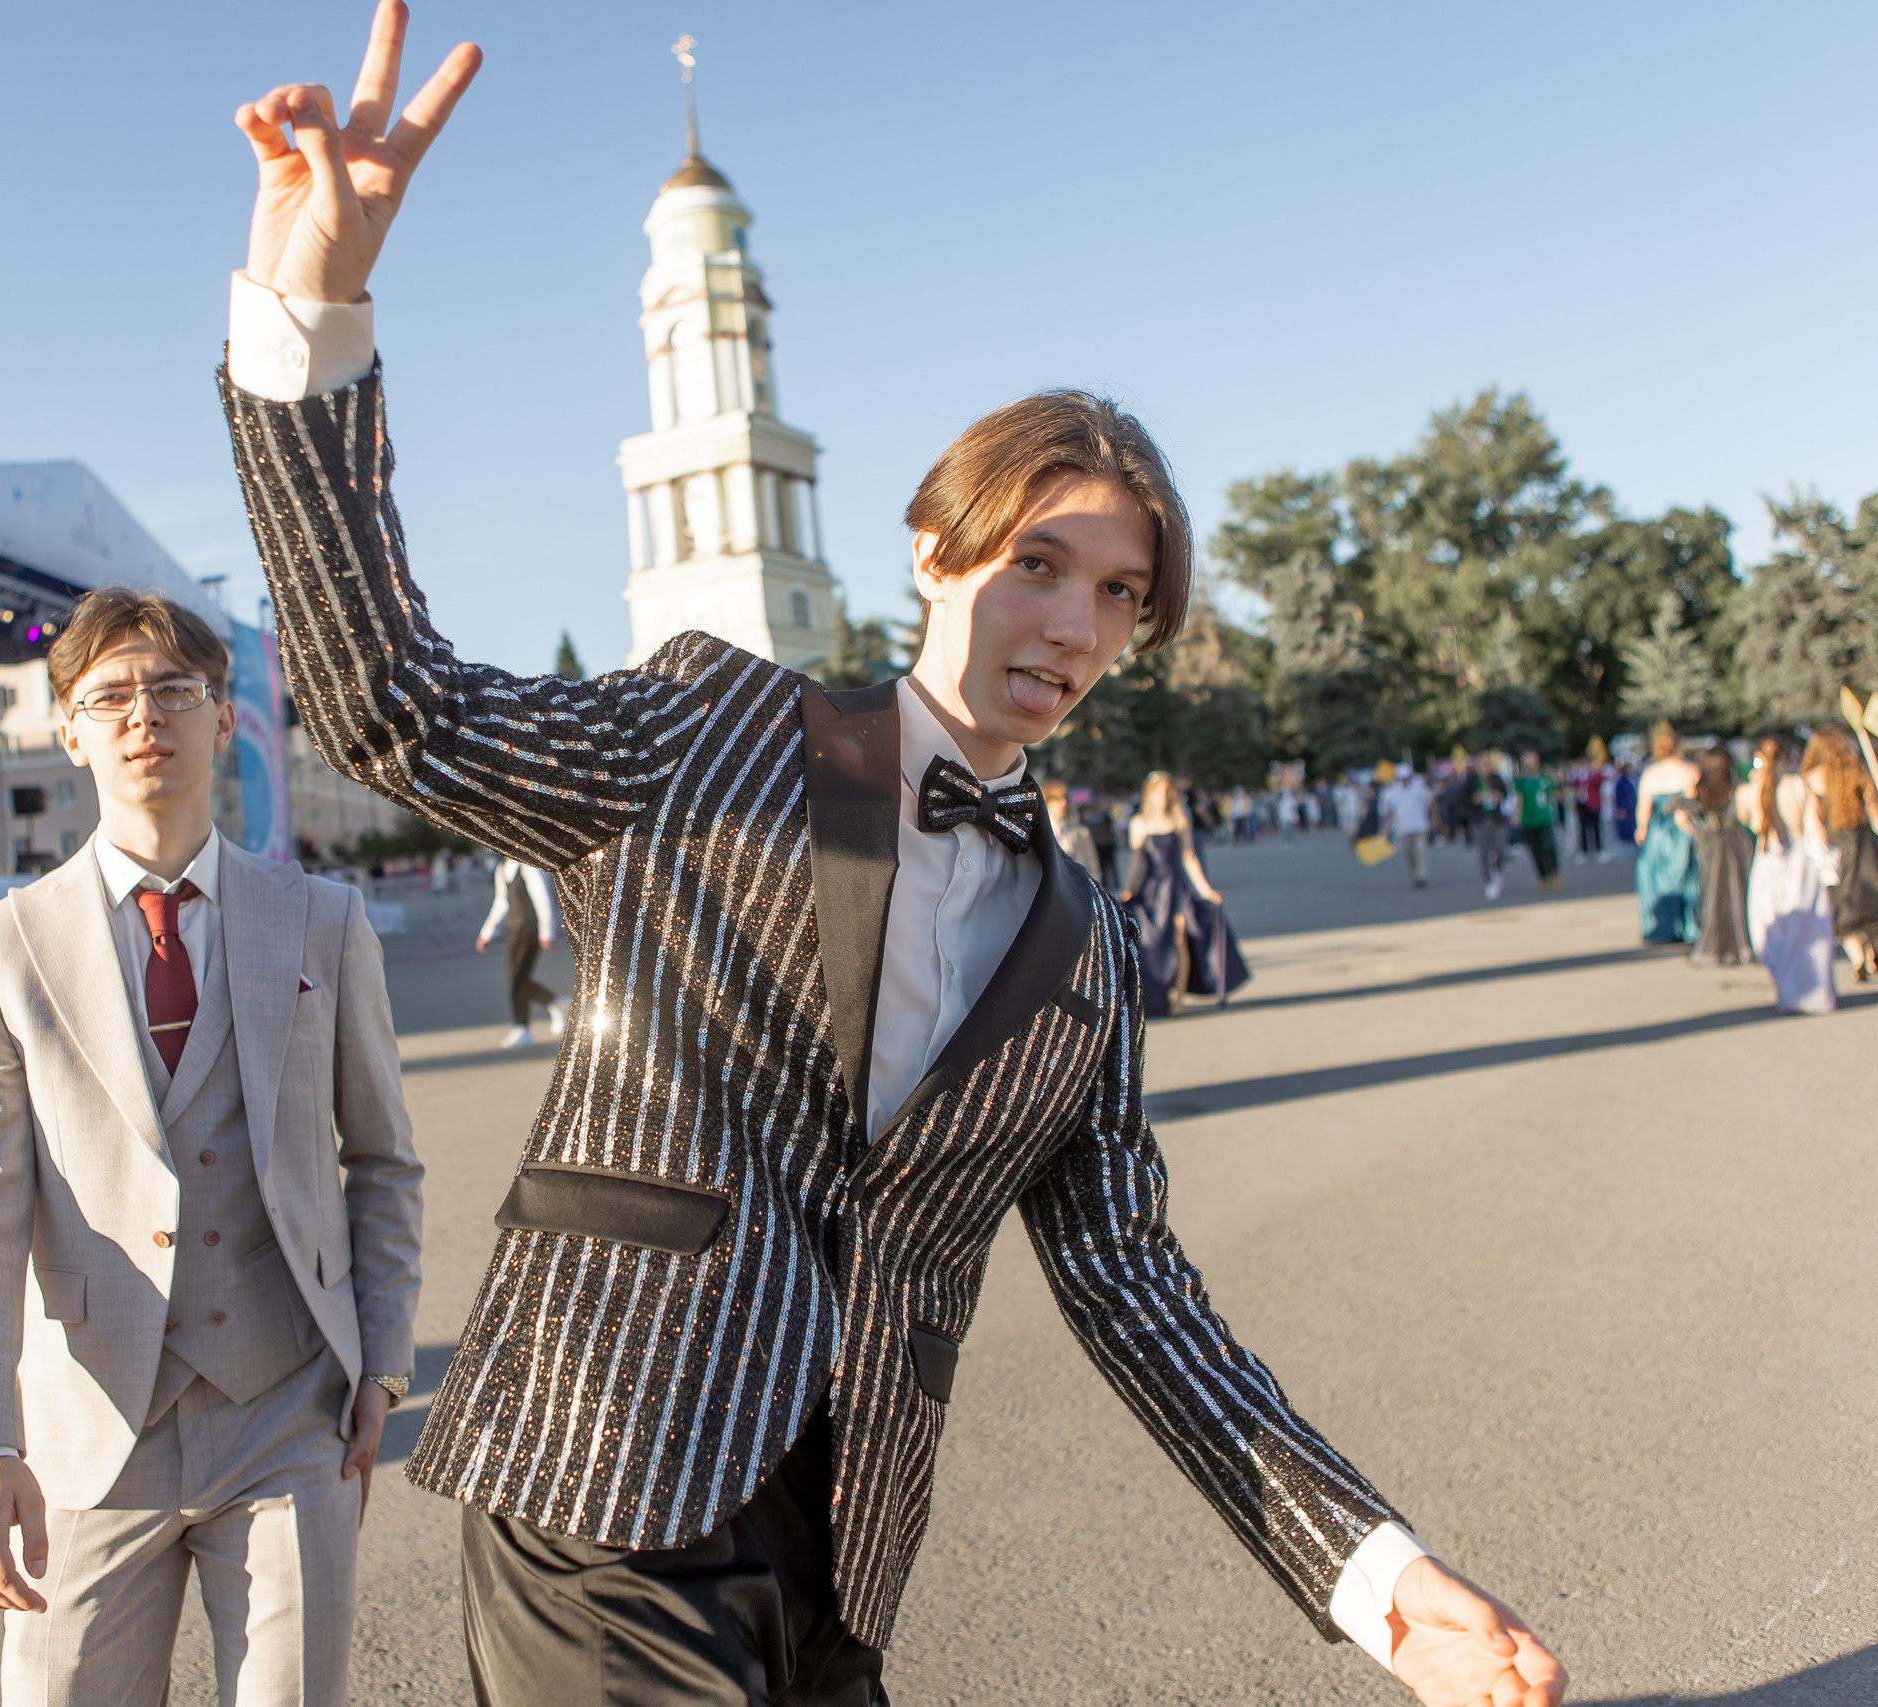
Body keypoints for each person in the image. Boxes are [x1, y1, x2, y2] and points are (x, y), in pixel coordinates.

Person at [217, 15, 1568, 1704]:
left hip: (838, 1539)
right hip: (600, 1479)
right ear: (934, 545)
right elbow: (390, 709)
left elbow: (1134, 1286)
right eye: (1041, 561)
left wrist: (1378, 1575)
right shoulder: (711, 729)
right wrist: (307, 334)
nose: (1073, 624)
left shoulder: (1084, 945)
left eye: (1120, 595)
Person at [0, 588, 423, 1707]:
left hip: (288, 1410)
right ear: (69, 731)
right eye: (108, 696)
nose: (142, 714)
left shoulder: (323, 921)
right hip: (87, 1437)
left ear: (225, 718)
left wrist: (380, 1369)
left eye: (171, 690)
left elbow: (383, 1159)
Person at [1122, 770, 1249, 1014]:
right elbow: (1137, 860)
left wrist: (1205, 889)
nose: (1164, 795)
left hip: (1177, 887)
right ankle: (1160, 993)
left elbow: (1189, 857)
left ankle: (1179, 998)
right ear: (1150, 793)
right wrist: (1128, 888)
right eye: (1159, 790)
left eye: (1167, 790)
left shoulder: (1179, 818)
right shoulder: (1139, 823)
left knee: (1180, 939)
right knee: (1155, 941)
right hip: (1152, 890)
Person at [1743, 735, 1836, 1014]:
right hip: (1800, 861)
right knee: (1806, 929)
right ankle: (1811, 989)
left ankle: (1784, 986)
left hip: (1768, 861)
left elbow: (1749, 822)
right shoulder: (1797, 785)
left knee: (1770, 927)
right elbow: (1817, 825)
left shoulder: (1751, 790)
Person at [1802, 729, 1878, 982]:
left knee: (1844, 906)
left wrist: (1823, 850)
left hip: (1836, 845)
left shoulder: (1811, 779)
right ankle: (1873, 948)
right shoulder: (1857, 771)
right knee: (1874, 898)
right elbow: (1875, 810)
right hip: (1864, 842)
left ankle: (1857, 959)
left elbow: (1816, 821)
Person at [475, 856, 563, 1047]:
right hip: (514, 928)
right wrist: (487, 932)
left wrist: (547, 930)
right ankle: (556, 1002)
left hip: (529, 928)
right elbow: (502, 902)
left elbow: (542, 897)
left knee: (517, 978)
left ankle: (522, 1027)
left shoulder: (528, 865)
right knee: (517, 977)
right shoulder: (502, 868)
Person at [1678, 746, 1753, 967]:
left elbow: (1682, 818)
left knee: (1712, 892)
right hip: (1735, 842)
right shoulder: (1735, 786)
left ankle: (1718, 945)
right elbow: (1746, 815)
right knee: (1739, 890)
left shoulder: (1699, 787)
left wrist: (1699, 833)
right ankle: (1742, 944)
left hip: (1710, 843)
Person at [1633, 724, 1700, 942]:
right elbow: (1693, 805)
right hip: (1682, 830)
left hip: (1659, 832)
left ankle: (1663, 926)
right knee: (1687, 877)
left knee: (1654, 875)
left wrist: (1641, 829)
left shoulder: (1651, 774)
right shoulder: (1689, 771)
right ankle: (1688, 925)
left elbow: (1643, 810)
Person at [1512, 753, 1562, 891]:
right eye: (1526, 764)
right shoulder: (1521, 781)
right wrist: (1516, 816)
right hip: (1528, 820)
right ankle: (1543, 876)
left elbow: (1554, 794)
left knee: (1548, 847)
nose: (1529, 766)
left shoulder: (1545, 778)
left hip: (1544, 819)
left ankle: (1555, 872)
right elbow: (1519, 799)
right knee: (1535, 851)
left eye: (1531, 763)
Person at [1466, 759, 1512, 901]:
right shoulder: (1471, 780)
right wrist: (1475, 799)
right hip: (1480, 820)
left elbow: (1505, 793)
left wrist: (1498, 795)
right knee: (1483, 852)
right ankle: (1488, 881)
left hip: (1496, 819)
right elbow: (1464, 798)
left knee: (1501, 849)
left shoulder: (1496, 778)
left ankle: (1497, 871)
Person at [1384, 761, 1435, 887]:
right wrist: (1386, 828)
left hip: (1420, 826)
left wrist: (1433, 818)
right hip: (1403, 829)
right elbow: (1390, 812)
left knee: (1421, 852)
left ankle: (1422, 876)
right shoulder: (1392, 792)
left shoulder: (1420, 787)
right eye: (1402, 778)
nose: (1404, 780)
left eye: (1406, 777)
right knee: (1409, 855)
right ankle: (1414, 875)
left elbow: (1430, 803)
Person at [1043, 778, 1105, 881]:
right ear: (1047, 802)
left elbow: (1094, 867)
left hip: (1078, 889)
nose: (1063, 803)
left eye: (1065, 798)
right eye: (1056, 799)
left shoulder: (1082, 832)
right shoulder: (1039, 834)